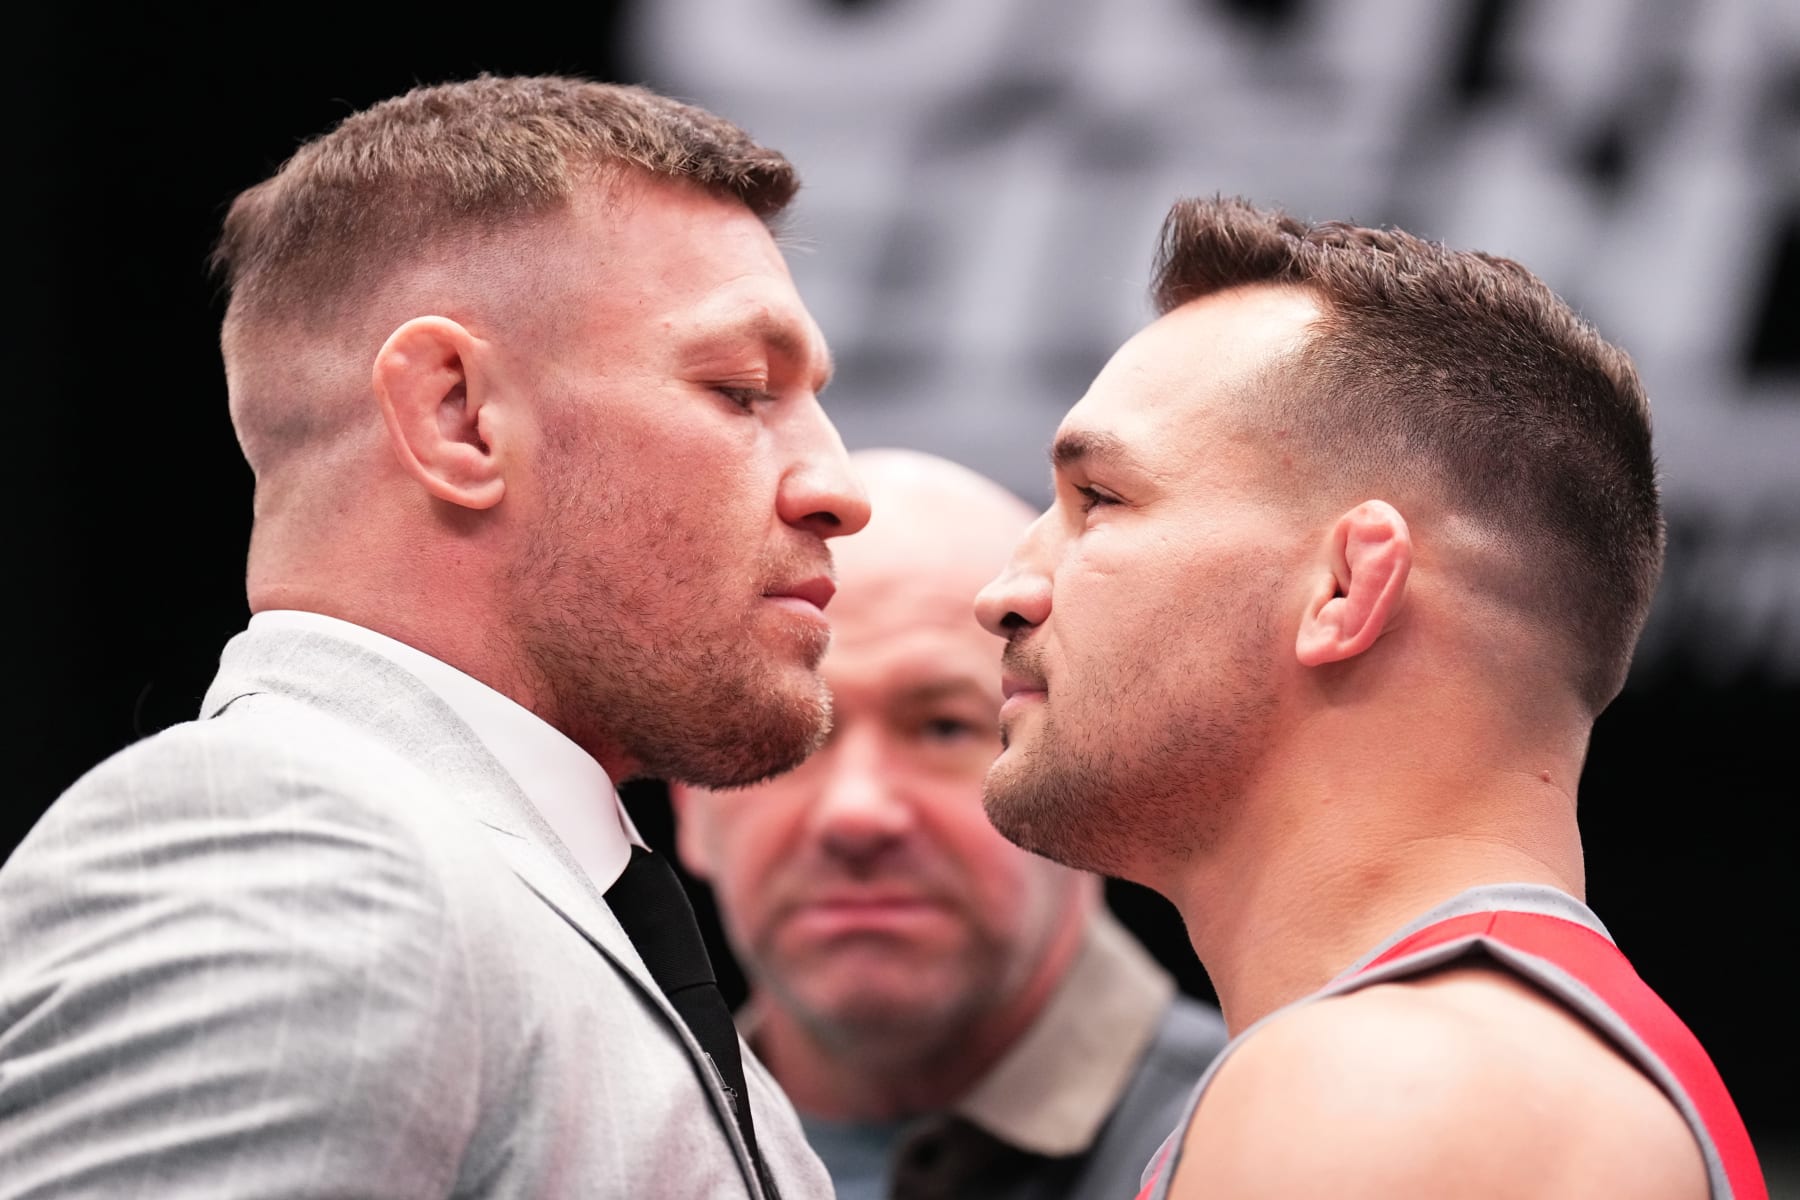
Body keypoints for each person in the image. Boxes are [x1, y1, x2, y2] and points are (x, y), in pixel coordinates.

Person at [0, 75, 868, 1199]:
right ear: (456, 415)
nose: (840, 486)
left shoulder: (483, 890)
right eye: (744, 389)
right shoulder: (293, 859)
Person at [973, 197, 1767, 1200]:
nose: (1004, 593)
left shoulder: (1393, 1088)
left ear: (1347, 588)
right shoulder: (1497, 1062)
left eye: (1102, 502)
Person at [672, 448, 1228, 1200]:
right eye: (793, 733)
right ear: (688, 808)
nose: (857, 813)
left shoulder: (1283, 1151)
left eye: (942, 728)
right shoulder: (567, 1144)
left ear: (1092, 779)